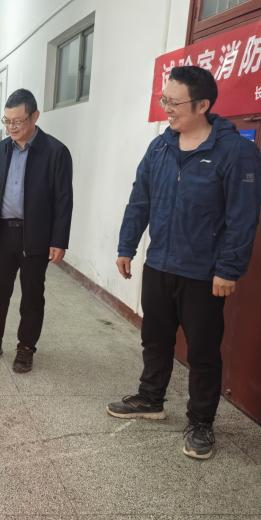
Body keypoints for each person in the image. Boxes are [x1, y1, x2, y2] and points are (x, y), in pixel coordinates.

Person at [107, 66, 261, 460]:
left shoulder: (236, 152)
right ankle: (150, 398)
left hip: (204, 273)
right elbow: (140, 199)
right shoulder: (160, 147)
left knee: (203, 351)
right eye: (164, 100)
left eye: (174, 103)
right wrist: (126, 246)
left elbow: (242, 217)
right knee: (155, 337)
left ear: (202, 105)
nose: (167, 109)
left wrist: (228, 268)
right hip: (160, 263)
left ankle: (201, 422)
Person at [0, 88, 73, 373]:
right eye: (7, 121)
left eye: (18, 121)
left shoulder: (55, 152)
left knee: (32, 294)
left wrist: (59, 240)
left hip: (35, 235)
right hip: (3, 232)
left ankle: (26, 348)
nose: (11, 127)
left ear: (35, 117)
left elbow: (64, 200)